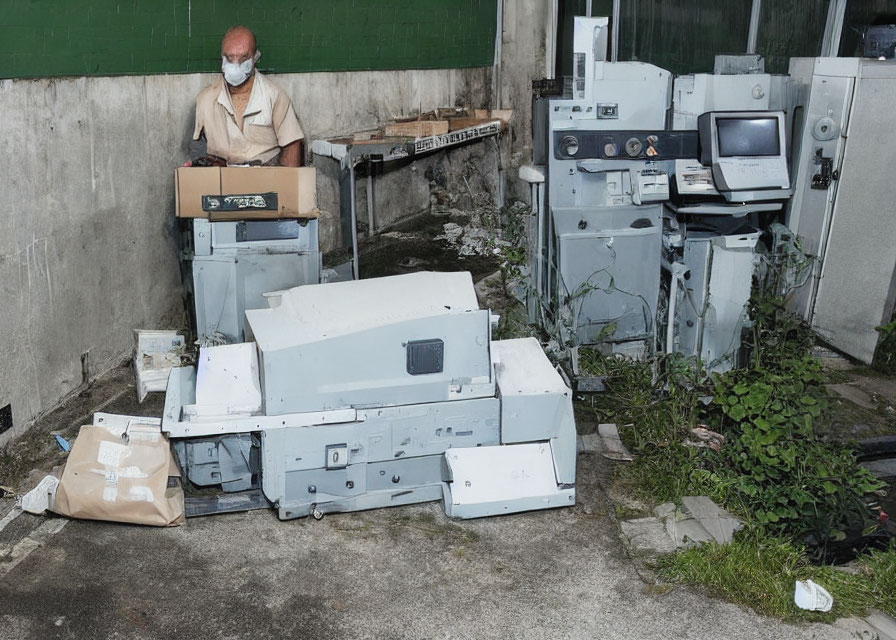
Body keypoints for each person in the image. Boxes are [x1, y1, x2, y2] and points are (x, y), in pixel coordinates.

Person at [192, 25, 303, 167]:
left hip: (266, 177)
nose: (235, 66)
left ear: (255, 58)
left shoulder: (275, 96)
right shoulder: (205, 100)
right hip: (221, 179)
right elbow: (198, 150)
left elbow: (292, 144)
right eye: (229, 58)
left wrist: (285, 185)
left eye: (243, 58)